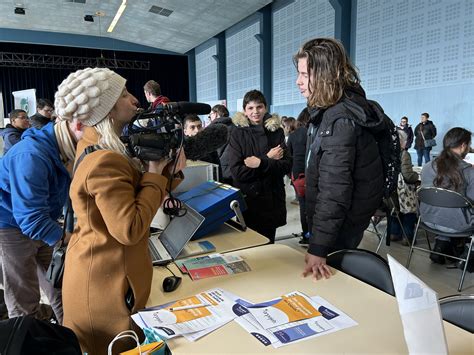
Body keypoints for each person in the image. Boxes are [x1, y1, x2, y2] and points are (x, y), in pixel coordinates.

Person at [59, 68, 185, 354]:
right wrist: (155, 170)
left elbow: (135, 193)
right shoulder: (104, 160)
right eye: (124, 95)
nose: (134, 101)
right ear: (107, 109)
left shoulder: (95, 146)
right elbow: (128, 229)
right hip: (105, 288)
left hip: (106, 275)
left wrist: (168, 171)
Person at [295, 38, 384, 281]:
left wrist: (319, 247)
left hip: (341, 225)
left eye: (304, 74)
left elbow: (335, 190)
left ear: (324, 76)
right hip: (339, 223)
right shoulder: (329, 111)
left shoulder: (339, 119)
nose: (298, 81)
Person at [0, 102, 84, 324]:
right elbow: (30, 219)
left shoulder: (59, 149)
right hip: (11, 225)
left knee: (61, 285)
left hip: (41, 219)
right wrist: (69, 239)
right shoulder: (31, 156)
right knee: (24, 298)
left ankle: (71, 339)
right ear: (78, 125)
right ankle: (30, 341)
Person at [227, 89, 291, 243]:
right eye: (250, 108)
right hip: (250, 201)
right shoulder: (237, 134)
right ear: (244, 111)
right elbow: (238, 172)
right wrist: (269, 158)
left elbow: (287, 165)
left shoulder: (276, 132)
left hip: (272, 199)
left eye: (259, 107)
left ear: (266, 108)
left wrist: (260, 163)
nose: (255, 112)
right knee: (251, 247)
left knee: (269, 244)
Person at [420, 127, 473, 264]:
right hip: (455, 224)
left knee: (445, 208)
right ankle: (469, 253)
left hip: (428, 219)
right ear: (463, 146)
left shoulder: (426, 167)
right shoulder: (468, 171)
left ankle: (441, 243)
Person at [389, 129, 419, 246]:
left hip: (390, 193)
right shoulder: (404, 154)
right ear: (402, 142)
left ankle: (393, 234)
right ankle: (407, 237)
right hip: (401, 192)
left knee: (394, 210)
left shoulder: (386, 152)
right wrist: (416, 176)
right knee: (409, 212)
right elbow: (407, 176)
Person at [287, 108, 310, 244]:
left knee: (303, 207)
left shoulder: (293, 135)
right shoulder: (314, 133)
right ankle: (314, 237)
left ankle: (306, 235)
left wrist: (290, 175)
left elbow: (288, 155)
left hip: (297, 176)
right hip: (312, 175)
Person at [208, 105, 234, 185]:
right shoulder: (235, 127)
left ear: (215, 114)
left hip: (221, 172)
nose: (209, 118)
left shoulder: (212, 129)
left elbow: (214, 153)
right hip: (235, 170)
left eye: (210, 116)